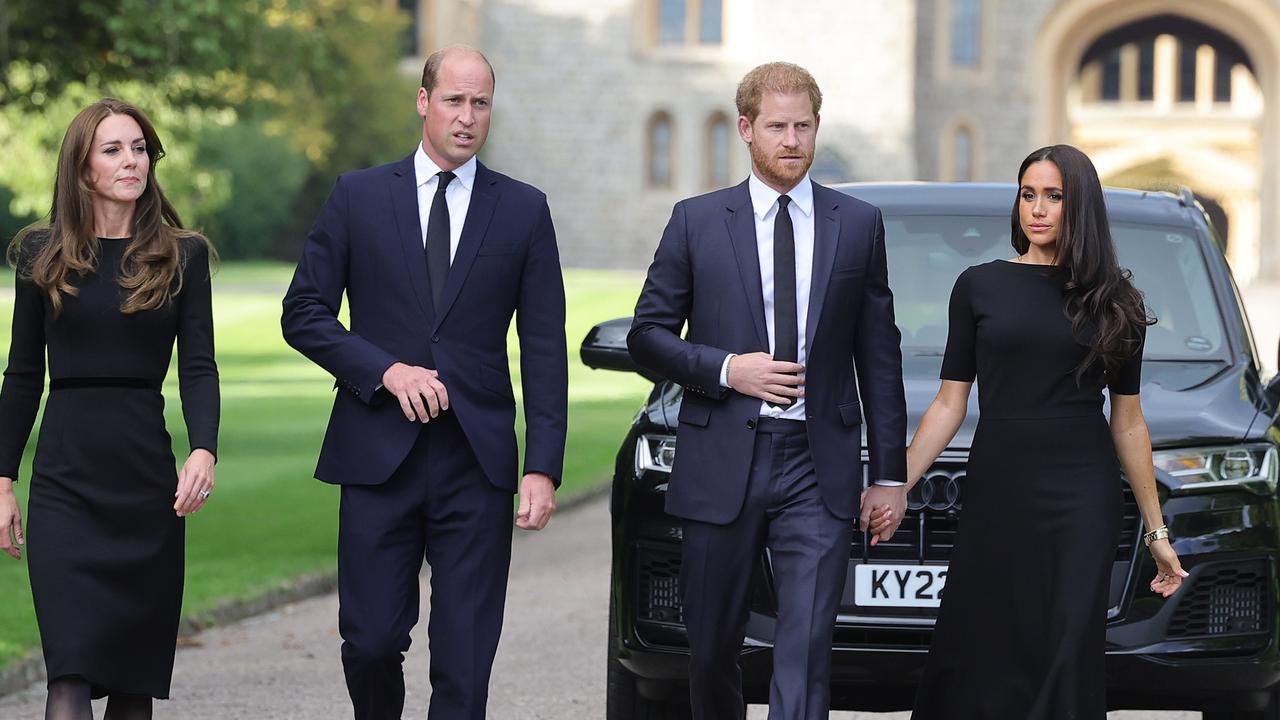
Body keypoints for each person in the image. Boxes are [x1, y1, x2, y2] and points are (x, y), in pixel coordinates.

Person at [281, 45, 567, 720]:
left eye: (481, 103)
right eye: (454, 101)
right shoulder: (358, 197)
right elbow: (303, 313)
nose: (467, 117)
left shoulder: (524, 210)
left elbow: (545, 348)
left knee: (465, 662)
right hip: (377, 455)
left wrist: (543, 467)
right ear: (423, 101)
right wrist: (383, 369)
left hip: (479, 461)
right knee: (372, 642)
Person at [627, 61, 906, 720]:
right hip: (722, 456)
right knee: (711, 646)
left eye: (803, 126)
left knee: (806, 649)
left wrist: (889, 474)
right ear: (746, 130)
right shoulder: (696, 221)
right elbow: (647, 338)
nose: (792, 140)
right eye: (777, 126)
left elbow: (879, 354)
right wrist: (729, 370)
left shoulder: (857, 225)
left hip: (819, 464)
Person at [893, 144, 1187, 718]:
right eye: (1029, 194)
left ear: (1081, 208)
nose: (1039, 209)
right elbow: (950, 403)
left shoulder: (1116, 303)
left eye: (1055, 196)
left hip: (1081, 497)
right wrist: (896, 484)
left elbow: (1128, 421)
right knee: (983, 642)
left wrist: (1157, 534)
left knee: (1067, 647)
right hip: (998, 489)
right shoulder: (979, 286)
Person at [0, 98, 219, 720]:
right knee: (67, 672)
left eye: (140, 148)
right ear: (82, 167)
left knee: (131, 680)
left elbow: (199, 367)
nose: (132, 161)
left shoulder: (184, 255)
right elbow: (21, 377)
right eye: (114, 149)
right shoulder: (41, 254)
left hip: (145, 483)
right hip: (67, 482)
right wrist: (2, 479)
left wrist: (203, 447)